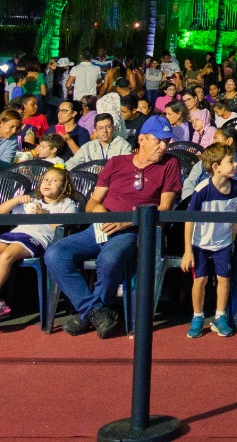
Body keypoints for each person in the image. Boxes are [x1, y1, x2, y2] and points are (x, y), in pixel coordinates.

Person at [47, 123, 182, 339]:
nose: (163, 147)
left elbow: (165, 207)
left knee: (109, 259)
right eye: (158, 141)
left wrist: (128, 221)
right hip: (100, 227)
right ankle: (96, 311)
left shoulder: (170, 164)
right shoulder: (117, 162)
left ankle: (87, 315)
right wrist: (103, 215)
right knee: (55, 253)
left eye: (166, 142)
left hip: (133, 230)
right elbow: (92, 203)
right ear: (142, 139)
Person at [0, 166, 79, 333]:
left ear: (64, 186)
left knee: (6, 257)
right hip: (16, 233)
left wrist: (45, 216)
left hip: (38, 238)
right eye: (46, 179)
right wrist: (16, 200)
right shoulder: (32, 201)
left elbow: (66, 228)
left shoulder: (67, 204)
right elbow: (1, 212)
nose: (48, 183)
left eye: (55, 181)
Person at [180, 142, 237, 339]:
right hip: (200, 244)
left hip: (223, 244)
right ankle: (197, 317)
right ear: (216, 167)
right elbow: (189, 220)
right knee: (200, 281)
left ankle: (220, 316)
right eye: (231, 162)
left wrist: (232, 236)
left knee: (224, 279)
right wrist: (188, 250)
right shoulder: (202, 190)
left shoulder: (236, 188)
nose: (236, 165)